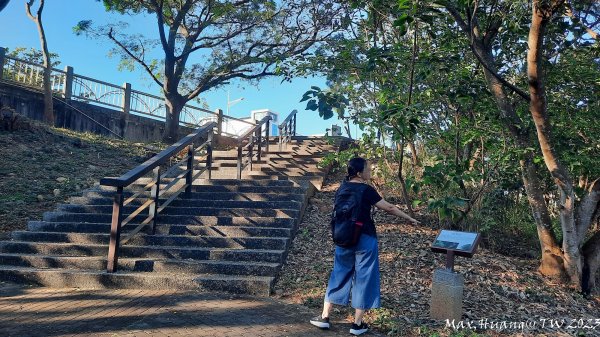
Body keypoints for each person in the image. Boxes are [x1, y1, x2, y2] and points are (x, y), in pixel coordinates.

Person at [310, 157, 420, 336]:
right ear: (360, 173)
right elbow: (389, 208)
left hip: (343, 237)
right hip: (365, 239)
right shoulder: (366, 190)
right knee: (364, 277)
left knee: (338, 274)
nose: (370, 171)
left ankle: (324, 317)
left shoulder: (342, 188)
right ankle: (357, 324)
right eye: (368, 169)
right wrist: (408, 218)